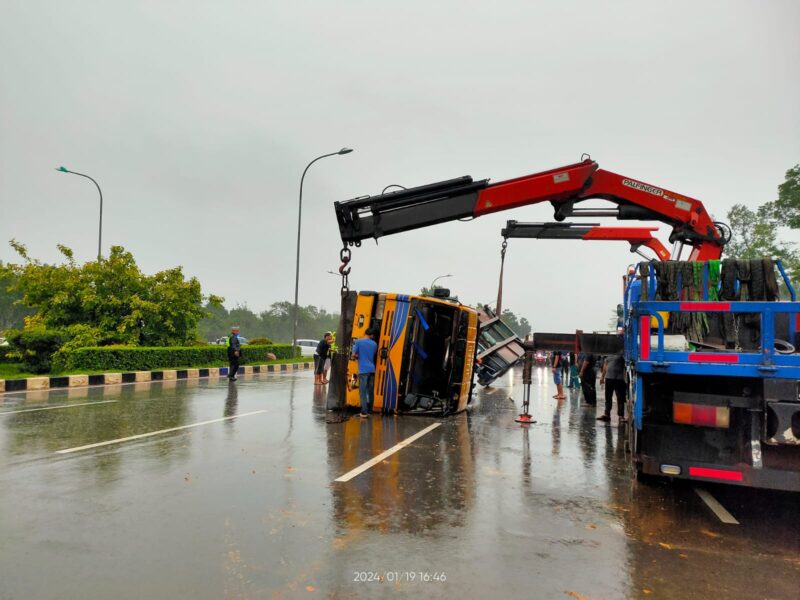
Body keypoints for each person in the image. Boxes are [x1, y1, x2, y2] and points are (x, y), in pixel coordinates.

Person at [352, 328, 378, 417]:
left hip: (363, 370)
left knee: (362, 391)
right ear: (371, 335)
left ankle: (364, 412)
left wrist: (356, 356)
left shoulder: (359, 342)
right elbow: (372, 355)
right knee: (370, 391)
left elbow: (354, 355)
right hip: (371, 369)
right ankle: (370, 411)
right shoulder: (374, 344)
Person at [599, 350, 627, 422]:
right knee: (608, 397)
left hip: (619, 379)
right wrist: (602, 377)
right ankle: (607, 414)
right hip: (609, 378)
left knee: (620, 398)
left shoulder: (622, 352)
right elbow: (605, 365)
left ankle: (621, 416)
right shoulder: (608, 353)